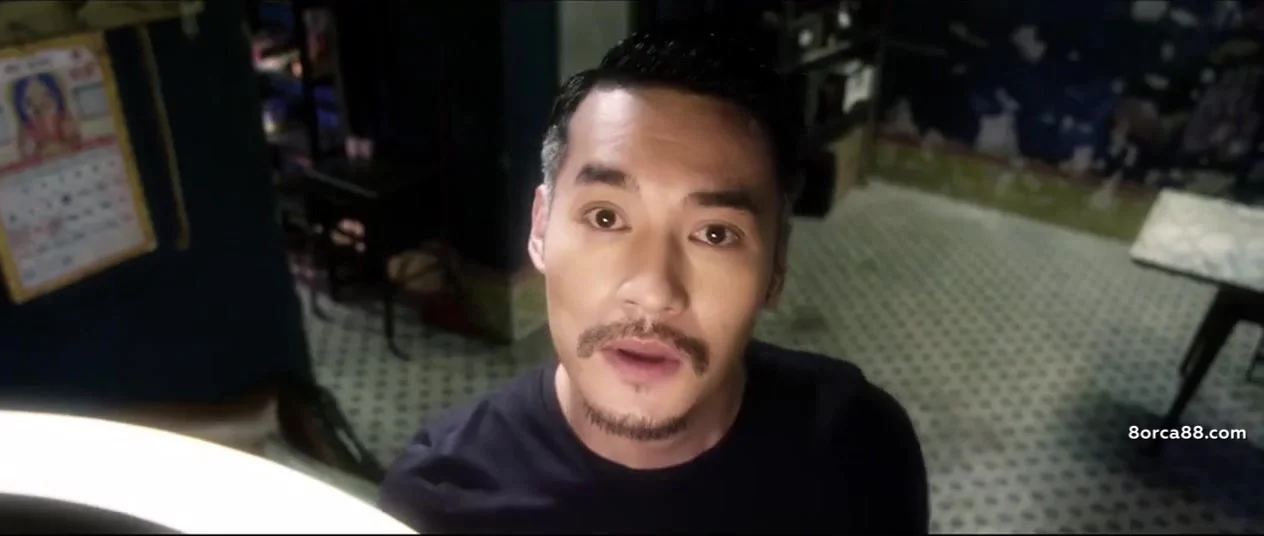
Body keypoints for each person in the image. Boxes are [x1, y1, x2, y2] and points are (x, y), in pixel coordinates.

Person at [379, 27, 929, 534]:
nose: (653, 291)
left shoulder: (859, 449)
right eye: (605, 218)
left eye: (715, 234)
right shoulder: (437, 501)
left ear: (776, 267)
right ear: (541, 228)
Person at [13, 73, 80, 159]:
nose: (39, 100)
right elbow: (25, 152)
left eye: (45, 94)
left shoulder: (64, 117)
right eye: (30, 100)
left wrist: (59, 147)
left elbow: (76, 141)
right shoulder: (27, 126)